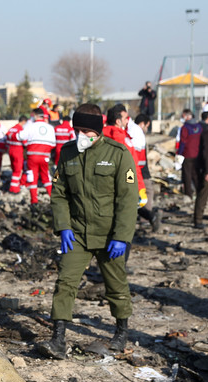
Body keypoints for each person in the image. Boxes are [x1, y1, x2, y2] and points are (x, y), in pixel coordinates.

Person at [36, 103, 137, 359]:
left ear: (97, 131)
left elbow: (128, 199)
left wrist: (122, 236)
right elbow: (58, 194)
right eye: (77, 129)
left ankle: (121, 331)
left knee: (115, 284)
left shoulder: (118, 153)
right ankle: (58, 339)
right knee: (65, 282)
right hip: (77, 233)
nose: (81, 135)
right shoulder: (67, 153)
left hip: (109, 235)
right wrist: (63, 226)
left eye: (86, 130)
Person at [19, 108, 56, 204]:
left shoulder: (31, 126)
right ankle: (54, 200)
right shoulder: (50, 128)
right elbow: (53, 144)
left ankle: (34, 201)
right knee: (46, 177)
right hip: (45, 157)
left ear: (35, 115)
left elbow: (20, 136)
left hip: (32, 156)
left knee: (32, 178)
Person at [133, 114, 162, 231]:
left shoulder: (132, 133)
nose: (146, 129)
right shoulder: (137, 134)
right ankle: (147, 218)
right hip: (139, 171)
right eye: (146, 126)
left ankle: (146, 217)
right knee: (147, 192)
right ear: (144, 124)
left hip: (139, 170)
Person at [176, 109, 203, 198]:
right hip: (197, 154)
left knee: (187, 175)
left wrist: (179, 153)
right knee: (196, 174)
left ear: (187, 116)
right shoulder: (199, 126)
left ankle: (188, 194)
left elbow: (183, 142)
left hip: (187, 154)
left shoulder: (185, 128)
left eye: (183, 116)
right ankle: (200, 192)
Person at [5, 115, 28, 194]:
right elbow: (25, 143)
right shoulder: (20, 129)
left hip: (11, 150)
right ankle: (14, 188)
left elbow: (7, 140)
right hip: (18, 151)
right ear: (24, 122)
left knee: (14, 169)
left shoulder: (11, 129)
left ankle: (13, 186)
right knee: (17, 170)